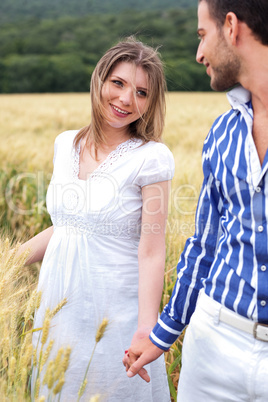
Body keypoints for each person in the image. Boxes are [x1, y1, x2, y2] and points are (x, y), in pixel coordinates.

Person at [123, 1, 268, 401]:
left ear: (232, 28)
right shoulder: (222, 133)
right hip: (213, 345)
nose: (199, 53)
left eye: (203, 35)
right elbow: (204, 245)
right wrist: (163, 333)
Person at [20, 37, 174, 401]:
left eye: (141, 92)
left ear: (151, 102)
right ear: (99, 80)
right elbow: (69, 226)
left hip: (115, 315)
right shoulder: (65, 144)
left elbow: (152, 251)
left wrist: (146, 328)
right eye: (118, 83)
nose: (125, 99)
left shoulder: (151, 158)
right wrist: (8, 261)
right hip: (58, 310)